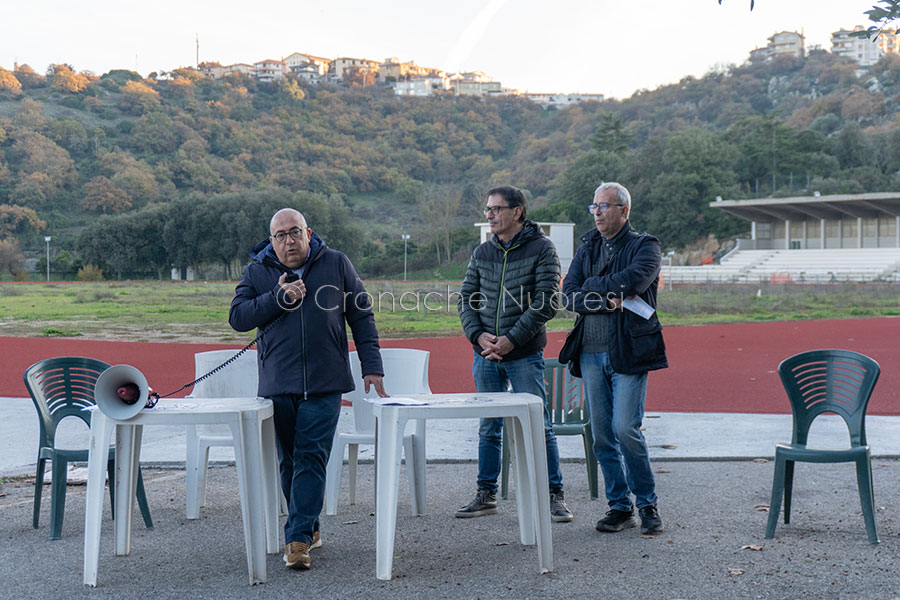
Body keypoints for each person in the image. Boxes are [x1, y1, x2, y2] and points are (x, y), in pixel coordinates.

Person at [229, 208, 387, 570]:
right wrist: (277, 298)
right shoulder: (256, 271)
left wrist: (372, 366)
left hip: (325, 380)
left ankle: (296, 539)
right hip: (278, 383)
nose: (289, 241)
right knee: (289, 461)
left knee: (311, 456)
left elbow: (361, 314)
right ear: (272, 241)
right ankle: (310, 527)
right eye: (281, 235)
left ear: (308, 233)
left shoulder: (336, 264)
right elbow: (238, 317)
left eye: (295, 232)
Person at [456, 185, 573, 523]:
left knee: (539, 425)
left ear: (517, 212)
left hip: (523, 354)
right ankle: (486, 493)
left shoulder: (542, 249)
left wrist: (510, 340)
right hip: (486, 354)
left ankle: (554, 494)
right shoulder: (482, 253)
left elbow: (547, 300)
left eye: (496, 209)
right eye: (487, 210)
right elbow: (466, 298)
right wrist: (479, 337)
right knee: (489, 426)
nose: (489, 215)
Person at [562, 182, 668, 535]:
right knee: (603, 436)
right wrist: (604, 298)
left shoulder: (645, 246)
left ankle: (647, 503)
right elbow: (568, 295)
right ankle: (620, 507)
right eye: (593, 206)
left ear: (624, 211)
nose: (597, 212)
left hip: (629, 351)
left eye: (604, 206)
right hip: (590, 353)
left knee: (626, 428)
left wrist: (592, 286)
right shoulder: (587, 246)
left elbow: (635, 282)